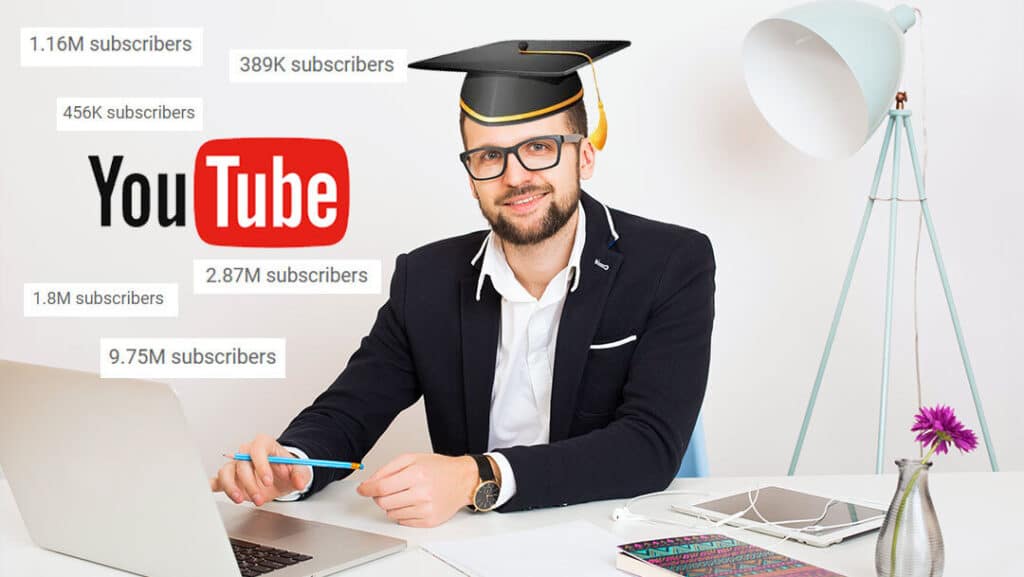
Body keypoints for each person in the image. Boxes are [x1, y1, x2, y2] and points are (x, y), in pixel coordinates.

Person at [211, 40, 715, 528]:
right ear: (471, 172)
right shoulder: (426, 280)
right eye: (489, 157)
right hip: (473, 548)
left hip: (611, 537)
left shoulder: (670, 263)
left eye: (539, 147)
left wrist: (478, 477)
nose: (515, 177)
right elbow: (348, 411)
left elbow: (648, 446)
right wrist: (295, 464)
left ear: (584, 156)